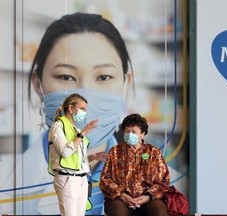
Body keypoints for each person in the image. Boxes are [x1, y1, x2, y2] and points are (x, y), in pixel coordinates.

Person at [1, 12, 133, 215]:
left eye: (104, 76)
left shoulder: (171, 186)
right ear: (38, 85)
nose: (83, 100)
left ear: (126, 83)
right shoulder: (5, 181)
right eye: (66, 76)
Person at [100, 113, 170, 216]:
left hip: (148, 199)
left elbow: (164, 180)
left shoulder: (153, 152)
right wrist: (122, 196)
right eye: (127, 131)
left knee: (159, 212)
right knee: (118, 212)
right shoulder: (114, 151)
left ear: (142, 134)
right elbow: (105, 179)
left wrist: (148, 197)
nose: (129, 134)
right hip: (120, 199)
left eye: (134, 132)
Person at [48, 93, 107, 216]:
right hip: (67, 179)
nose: (84, 112)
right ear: (71, 108)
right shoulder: (58, 126)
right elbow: (65, 152)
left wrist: (94, 157)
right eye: (82, 108)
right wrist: (83, 133)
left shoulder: (76, 129)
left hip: (82, 180)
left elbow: (79, 158)